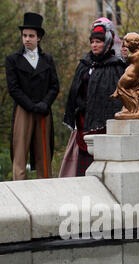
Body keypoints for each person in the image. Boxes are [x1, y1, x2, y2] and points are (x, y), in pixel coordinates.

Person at [61, 19, 125, 177]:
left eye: (99, 41)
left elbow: (117, 97)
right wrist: (79, 106)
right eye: (92, 41)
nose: (95, 45)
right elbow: (75, 91)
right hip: (83, 120)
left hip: (105, 124)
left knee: (104, 159)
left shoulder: (115, 66)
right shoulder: (84, 63)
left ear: (108, 43)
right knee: (85, 160)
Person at [5, 12, 59, 180]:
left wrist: (45, 104)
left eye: (31, 35)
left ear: (39, 37)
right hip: (23, 110)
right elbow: (13, 88)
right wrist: (31, 106)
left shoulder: (47, 59)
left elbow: (54, 86)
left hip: (43, 111)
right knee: (20, 154)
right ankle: (18, 192)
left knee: (44, 154)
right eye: (24, 35)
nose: (27, 39)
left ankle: (46, 191)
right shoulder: (13, 59)